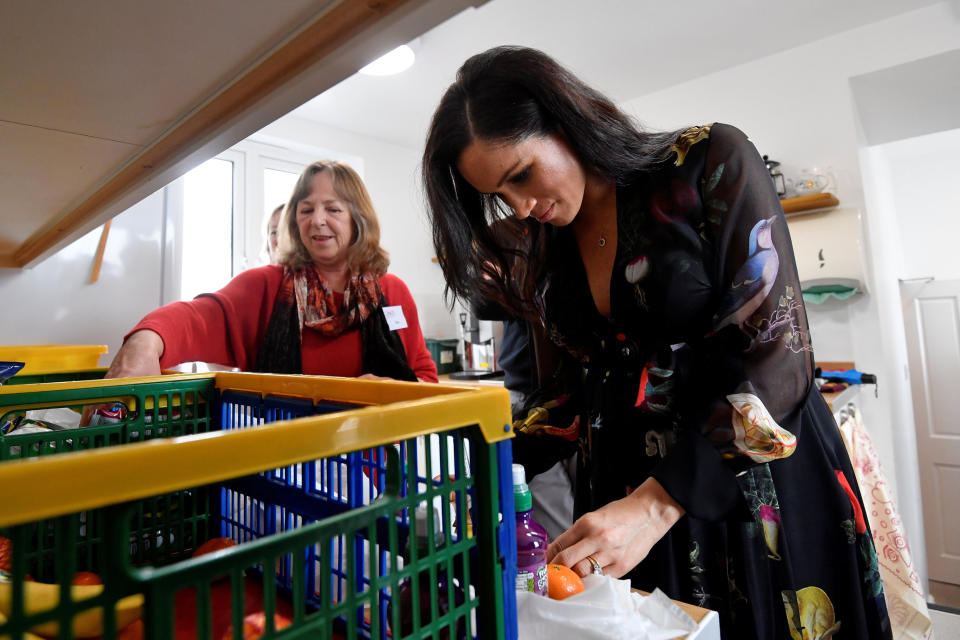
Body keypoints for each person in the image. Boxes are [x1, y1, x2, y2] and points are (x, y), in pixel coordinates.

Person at [422, 46, 890, 639]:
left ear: (566, 123)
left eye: (521, 175)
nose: (520, 206)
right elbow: (573, 390)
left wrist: (657, 502)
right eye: (500, 195)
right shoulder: (546, 243)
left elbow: (778, 359)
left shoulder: (707, 162)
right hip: (622, 513)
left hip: (743, 488)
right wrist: (487, 464)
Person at [103, 160, 437, 382]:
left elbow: (424, 374)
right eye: (306, 209)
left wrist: (394, 389)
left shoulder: (392, 292)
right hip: (285, 472)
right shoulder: (265, 287)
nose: (317, 220)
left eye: (333, 209)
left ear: (358, 219)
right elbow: (196, 319)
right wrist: (144, 343)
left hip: (379, 476)